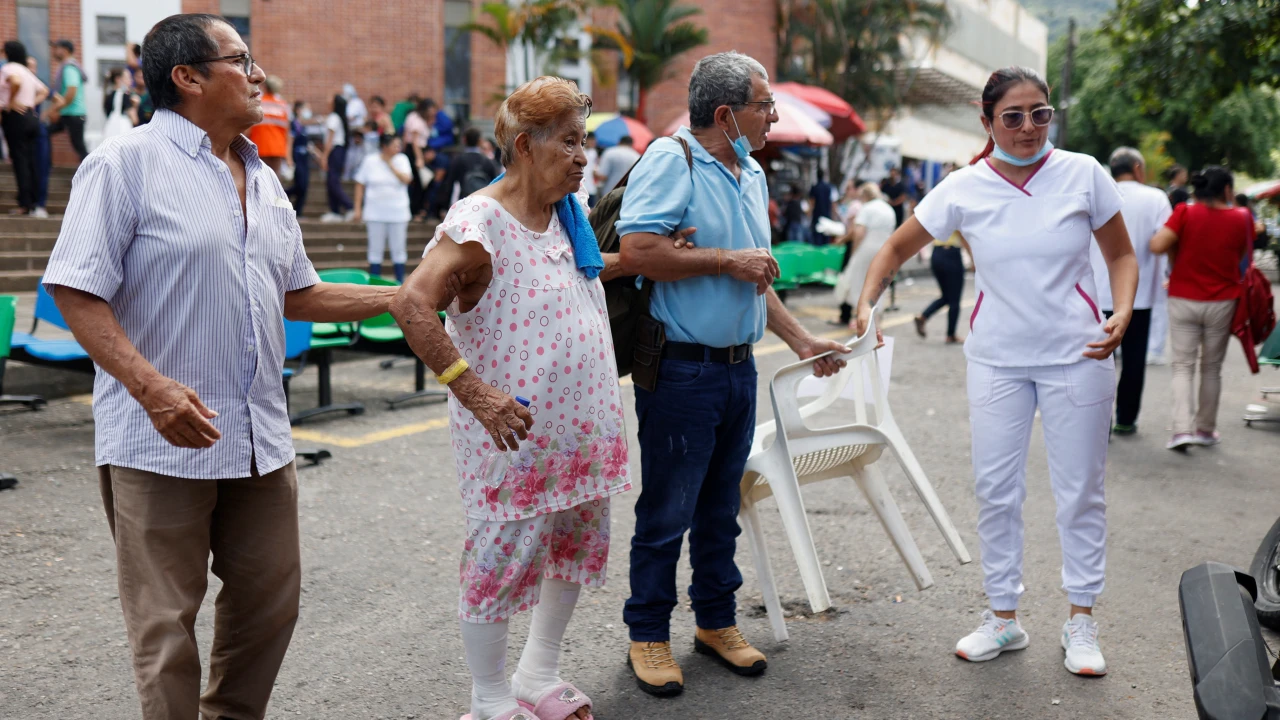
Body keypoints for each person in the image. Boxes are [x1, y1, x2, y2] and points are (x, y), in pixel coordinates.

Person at [41, 14, 397, 719]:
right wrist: (148, 387)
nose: (260, 74)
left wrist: (404, 299)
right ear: (189, 76)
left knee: (271, 602)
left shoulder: (261, 177)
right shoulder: (124, 163)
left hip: (260, 437)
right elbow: (75, 289)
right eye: (244, 60)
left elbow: (299, 292)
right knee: (166, 628)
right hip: (161, 438)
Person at [857, 66, 1137, 677]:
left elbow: (1120, 253)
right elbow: (894, 248)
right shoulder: (964, 187)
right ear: (987, 123)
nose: (1029, 127)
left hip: (1078, 355)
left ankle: (1081, 620)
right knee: (995, 489)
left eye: (1040, 113)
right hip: (997, 360)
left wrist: (1119, 315)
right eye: (1012, 116)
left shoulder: (1083, 173)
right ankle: (1003, 618)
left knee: (1080, 491)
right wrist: (866, 301)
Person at [391, 76, 643, 720]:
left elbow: (577, 273)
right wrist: (475, 393)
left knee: (572, 549)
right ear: (526, 145)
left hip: (579, 434)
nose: (583, 155)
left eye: (583, 140)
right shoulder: (479, 223)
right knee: (498, 564)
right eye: (569, 141)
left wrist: (646, 260)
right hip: (513, 437)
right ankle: (491, 697)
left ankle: (539, 673)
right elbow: (412, 303)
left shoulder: (569, 214)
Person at [616, 51, 848, 697]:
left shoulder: (748, 170)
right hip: (682, 370)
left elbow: (758, 275)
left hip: (737, 371)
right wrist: (724, 261)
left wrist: (801, 339)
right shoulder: (673, 159)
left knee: (722, 507)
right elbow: (637, 251)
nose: (772, 115)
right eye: (763, 105)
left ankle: (716, 622)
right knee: (667, 510)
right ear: (726, 114)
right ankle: (648, 633)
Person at [1149, 166, 1254, 451]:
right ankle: (1206, 430)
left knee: (1183, 367)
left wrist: (1177, 252)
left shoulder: (1185, 212)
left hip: (1183, 296)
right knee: (1211, 368)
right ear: (1228, 190)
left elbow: (1157, 244)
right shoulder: (1242, 218)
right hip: (1222, 300)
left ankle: (1181, 430)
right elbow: (1241, 257)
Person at [1088, 147, 1173, 435]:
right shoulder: (1156, 197)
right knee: (1134, 361)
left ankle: (1101, 422)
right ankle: (1126, 418)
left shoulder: (1096, 192)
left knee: (1099, 360)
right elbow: (1166, 238)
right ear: (1138, 168)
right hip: (1139, 295)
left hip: (1096, 294)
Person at [835, 183, 896, 327]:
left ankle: (861, 319)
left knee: (859, 282)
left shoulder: (867, 208)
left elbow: (859, 232)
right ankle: (876, 318)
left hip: (867, 249)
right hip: (885, 250)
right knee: (879, 283)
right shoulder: (889, 209)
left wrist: (854, 252)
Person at [354, 134, 413, 281]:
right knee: (375, 250)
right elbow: (360, 184)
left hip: (398, 212)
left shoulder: (402, 159)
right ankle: (375, 283)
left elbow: (407, 179)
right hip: (375, 212)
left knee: (398, 250)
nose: (398, 148)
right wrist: (357, 209)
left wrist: (390, 165)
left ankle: (399, 283)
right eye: (394, 145)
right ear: (385, 146)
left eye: (399, 145)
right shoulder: (370, 160)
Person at [1, 41, 48, 216]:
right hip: (30, 118)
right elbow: (43, 90)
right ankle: (33, 202)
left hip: (15, 118)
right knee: (31, 161)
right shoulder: (26, 71)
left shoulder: (9, 68)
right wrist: (30, 105)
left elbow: (15, 82)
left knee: (20, 161)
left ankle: (24, 204)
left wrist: (11, 102)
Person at [912, 230, 967, 343]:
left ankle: (923, 317)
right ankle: (951, 335)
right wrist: (973, 257)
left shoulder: (941, 214)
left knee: (947, 296)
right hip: (951, 254)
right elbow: (962, 235)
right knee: (954, 299)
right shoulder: (957, 213)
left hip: (936, 254)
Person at [45, 39, 87, 162]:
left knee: (79, 146)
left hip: (74, 114)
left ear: (65, 50)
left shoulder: (69, 68)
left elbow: (71, 92)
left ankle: (92, 171)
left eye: (56, 48)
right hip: (68, 113)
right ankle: (46, 163)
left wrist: (55, 109)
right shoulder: (66, 67)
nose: (53, 51)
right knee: (44, 132)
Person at [438, 126, 500, 208]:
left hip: (463, 202)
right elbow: (495, 184)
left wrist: (445, 206)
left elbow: (449, 183)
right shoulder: (488, 162)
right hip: (482, 203)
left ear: (464, 140)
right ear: (480, 141)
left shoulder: (458, 160)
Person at [831, 180, 865, 326]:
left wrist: (841, 240)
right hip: (860, 247)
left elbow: (853, 231)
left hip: (852, 246)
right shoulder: (864, 206)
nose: (847, 191)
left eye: (849, 188)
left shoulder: (855, 206)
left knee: (846, 279)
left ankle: (845, 315)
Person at [319, 93, 354, 222]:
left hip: (335, 151)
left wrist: (324, 156)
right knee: (331, 181)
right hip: (338, 151)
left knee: (333, 181)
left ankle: (350, 206)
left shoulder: (334, 117)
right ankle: (335, 211)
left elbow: (330, 140)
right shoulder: (338, 117)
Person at [248, 74, 290, 178]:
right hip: (278, 147)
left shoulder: (258, 102)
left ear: (265, 87)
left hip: (260, 145)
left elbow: (249, 127)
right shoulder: (283, 105)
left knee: (260, 178)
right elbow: (287, 131)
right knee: (275, 179)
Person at [25, 55, 50, 218]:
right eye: (29, 66)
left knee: (41, 166)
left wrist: (46, 114)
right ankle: (28, 203)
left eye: (34, 66)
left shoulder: (38, 83)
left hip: (37, 129)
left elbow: (56, 98)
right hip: (22, 131)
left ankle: (40, 204)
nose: (31, 69)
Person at [403, 98, 432, 220]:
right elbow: (415, 142)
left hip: (413, 150)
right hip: (416, 151)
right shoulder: (417, 121)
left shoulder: (412, 117)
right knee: (419, 184)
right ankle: (416, 211)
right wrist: (419, 158)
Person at [286, 100, 314, 213]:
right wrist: (289, 159)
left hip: (305, 158)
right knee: (300, 184)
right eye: (306, 109)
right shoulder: (294, 124)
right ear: (298, 110)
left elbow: (308, 145)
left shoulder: (303, 126)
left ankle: (299, 211)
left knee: (305, 185)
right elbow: (289, 142)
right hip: (296, 157)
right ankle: (279, 195)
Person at [101, 68, 139, 140]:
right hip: (122, 132)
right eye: (128, 78)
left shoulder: (108, 95)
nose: (131, 81)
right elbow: (135, 120)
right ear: (118, 79)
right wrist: (135, 105)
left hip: (109, 131)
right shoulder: (124, 95)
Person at [808, 168, 835, 244]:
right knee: (826, 238)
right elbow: (833, 203)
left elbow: (812, 203)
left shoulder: (814, 188)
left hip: (817, 216)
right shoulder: (829, 188)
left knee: (817, 239)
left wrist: (809, 215)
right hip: (827, 215)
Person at [583, 131, 599, 206]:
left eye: (594, 140)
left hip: (591, 188)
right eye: (591, 140)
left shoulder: (593, 152)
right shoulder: (581, 151)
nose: (593, 142)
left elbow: (594, 169)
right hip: (581, 187)